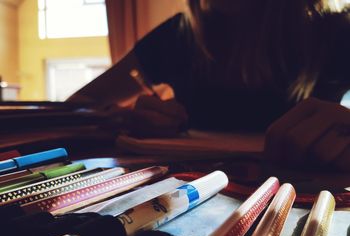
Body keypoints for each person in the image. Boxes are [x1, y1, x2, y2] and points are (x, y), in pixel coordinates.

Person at [68, 0, 350, 172]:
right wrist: (120, 120)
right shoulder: (178, 36)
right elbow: (77, 106)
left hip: (311, 202)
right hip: (188, 198)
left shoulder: (336, 31)